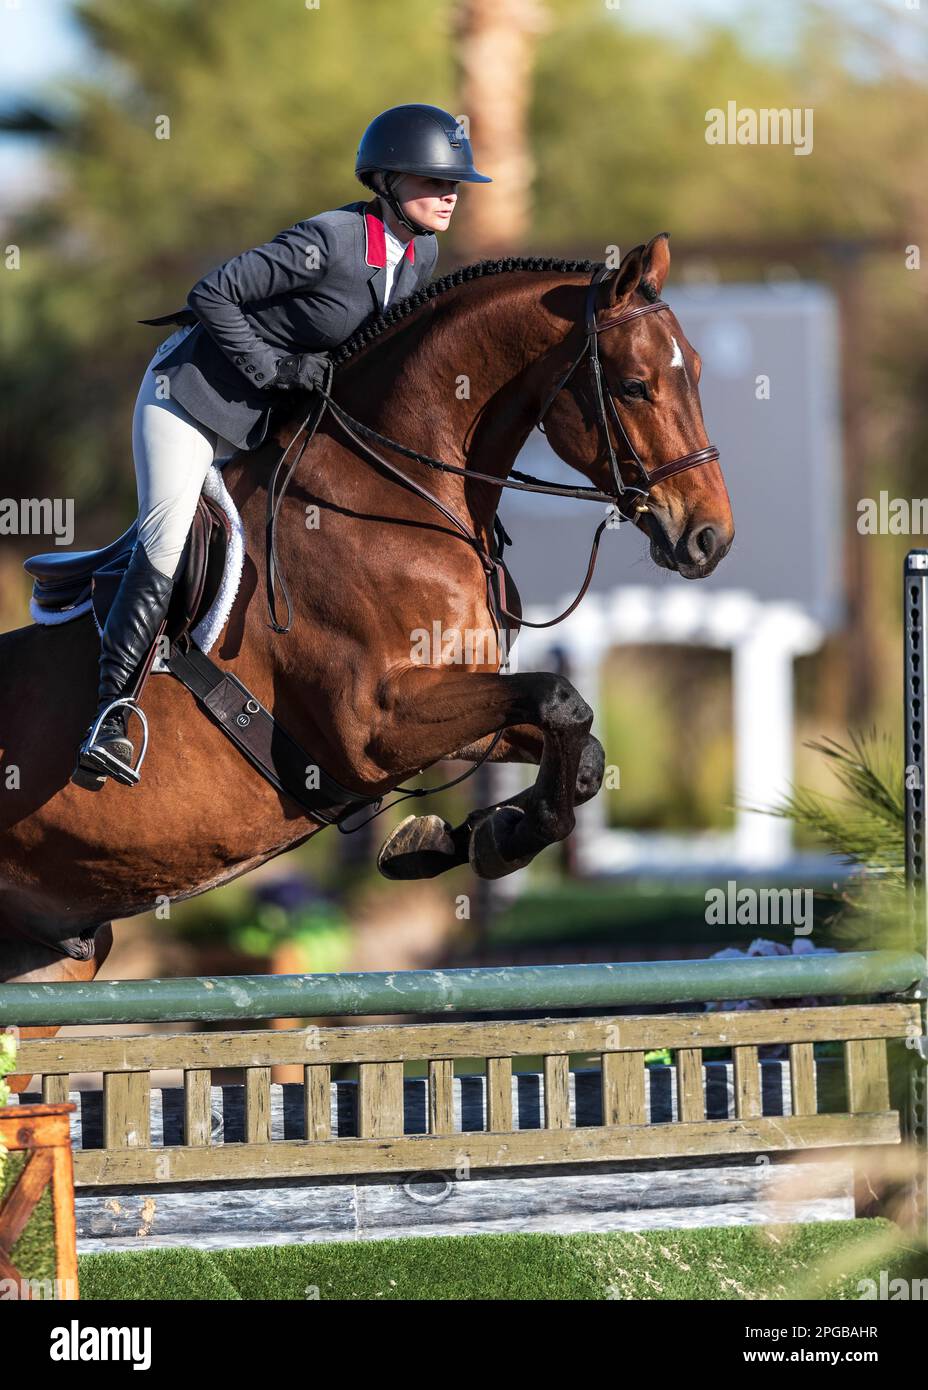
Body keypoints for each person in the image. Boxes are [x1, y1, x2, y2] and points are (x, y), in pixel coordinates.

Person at [74, 104, 491, 787]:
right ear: (386, 180)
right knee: (168, 538)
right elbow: (212, 293)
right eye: (432, 179)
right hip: (191, 398)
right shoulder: (327, 240)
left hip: (268, 418)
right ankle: (108, 719)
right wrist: (279, 370)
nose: (451, 194)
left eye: (456, 183)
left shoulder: (422, 256)